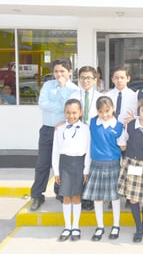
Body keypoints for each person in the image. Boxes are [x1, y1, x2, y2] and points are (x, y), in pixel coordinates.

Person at [30, 58, 79, 211]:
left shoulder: (74, 89)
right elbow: (42, 103)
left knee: (62, 164)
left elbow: (72, 109)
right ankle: (37, 195)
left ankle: (60, 192)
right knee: (42, 164)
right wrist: (62, 108)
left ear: (70, 72)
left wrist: (63, 90)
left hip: (66, 131)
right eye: (56, 71)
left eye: (63, 71)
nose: (59, 74)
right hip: (47, 130)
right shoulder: (47, 85)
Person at [82, 96, 123, 241]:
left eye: (107, 110)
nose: (105, 114)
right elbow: (87, 145)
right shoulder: (92, 123)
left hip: (113, 164)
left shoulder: (119, 126)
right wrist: (86, 169)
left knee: (115, 197)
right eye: (101, 111)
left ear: (113, 109)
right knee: (97, 198)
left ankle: (116, 225)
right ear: (97, 111)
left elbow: (122, 147)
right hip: (96, 164)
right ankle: (100, 226)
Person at [117, 97, 143, 243]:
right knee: (133, 199)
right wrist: (124, 147)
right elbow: (122, 139)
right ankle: (138, 227)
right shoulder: (131, 124)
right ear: (138, 110)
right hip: (132, 163)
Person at [52, 99, 90, 242]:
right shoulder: (60, 129)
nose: (71, 115)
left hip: (79, 164)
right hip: (64, 164)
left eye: (74, 112)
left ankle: (76, 226)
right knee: (66, 196)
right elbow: (55, 151)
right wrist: (56, 171)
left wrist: (86, 169)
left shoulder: (86, 129)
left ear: (80, 113)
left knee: (76, 196)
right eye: (68, 113)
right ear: (64, 113)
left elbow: (88, 151)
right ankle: (67, 226)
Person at [69, 65, 104, 210]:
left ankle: (90, 197)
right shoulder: (73, 96)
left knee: (91, 166)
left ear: (95, 80)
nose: (85, 81)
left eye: (89, 78)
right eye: (82, 77)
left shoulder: (101, 97)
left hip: (94, 136)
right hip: (77, 135)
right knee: (78, 165)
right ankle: (79, 194)